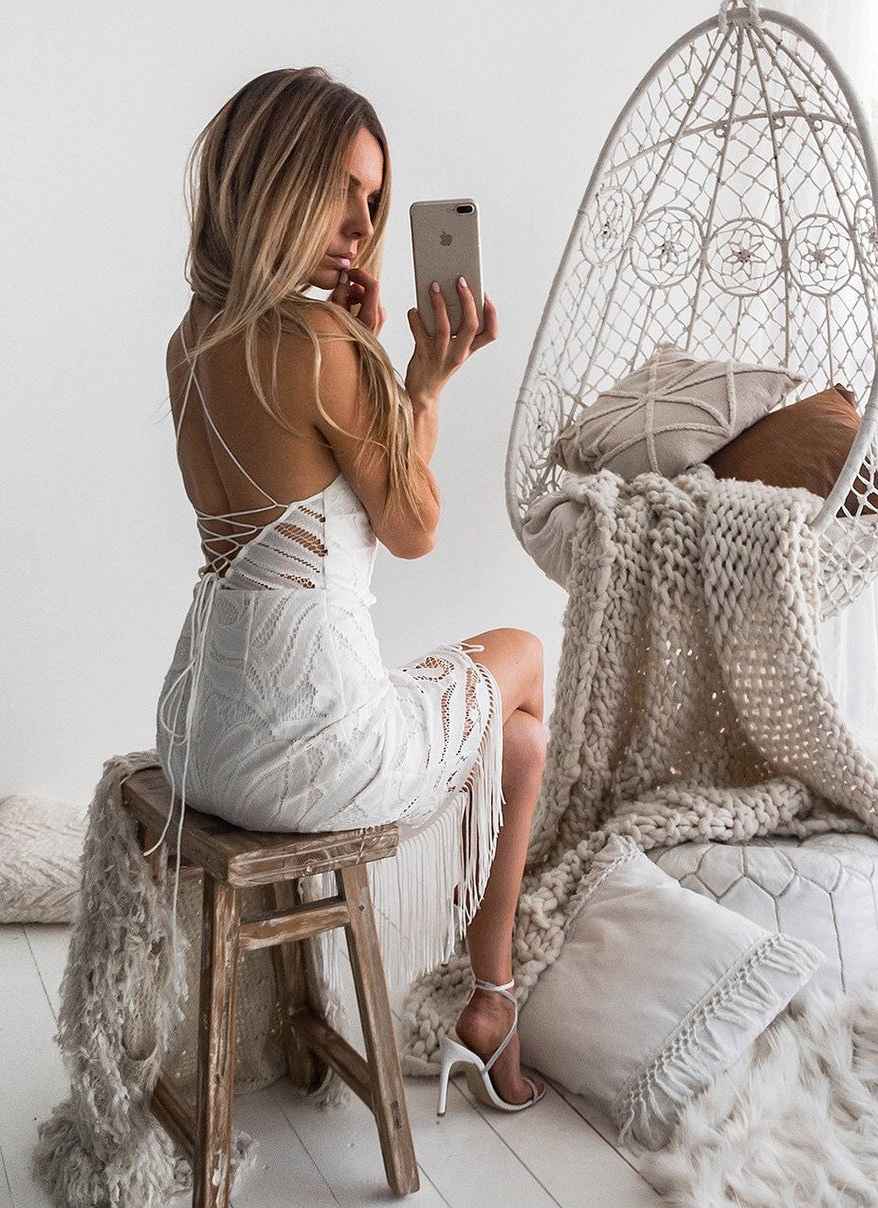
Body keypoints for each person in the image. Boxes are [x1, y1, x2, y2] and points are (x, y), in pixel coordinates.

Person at [155, 67, 547, 1114]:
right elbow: (413, 529)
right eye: (340, 189)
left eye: (374, 202)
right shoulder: (320, 343)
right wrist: (415, 378)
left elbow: (330, 491)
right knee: (524, 655)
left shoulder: (189, 342)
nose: (360, 223)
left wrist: (378, 366)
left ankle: (492, 990)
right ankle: (493, 984)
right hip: (310, 751)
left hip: (201, 733)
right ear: (271, 180)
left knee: (514, 739)